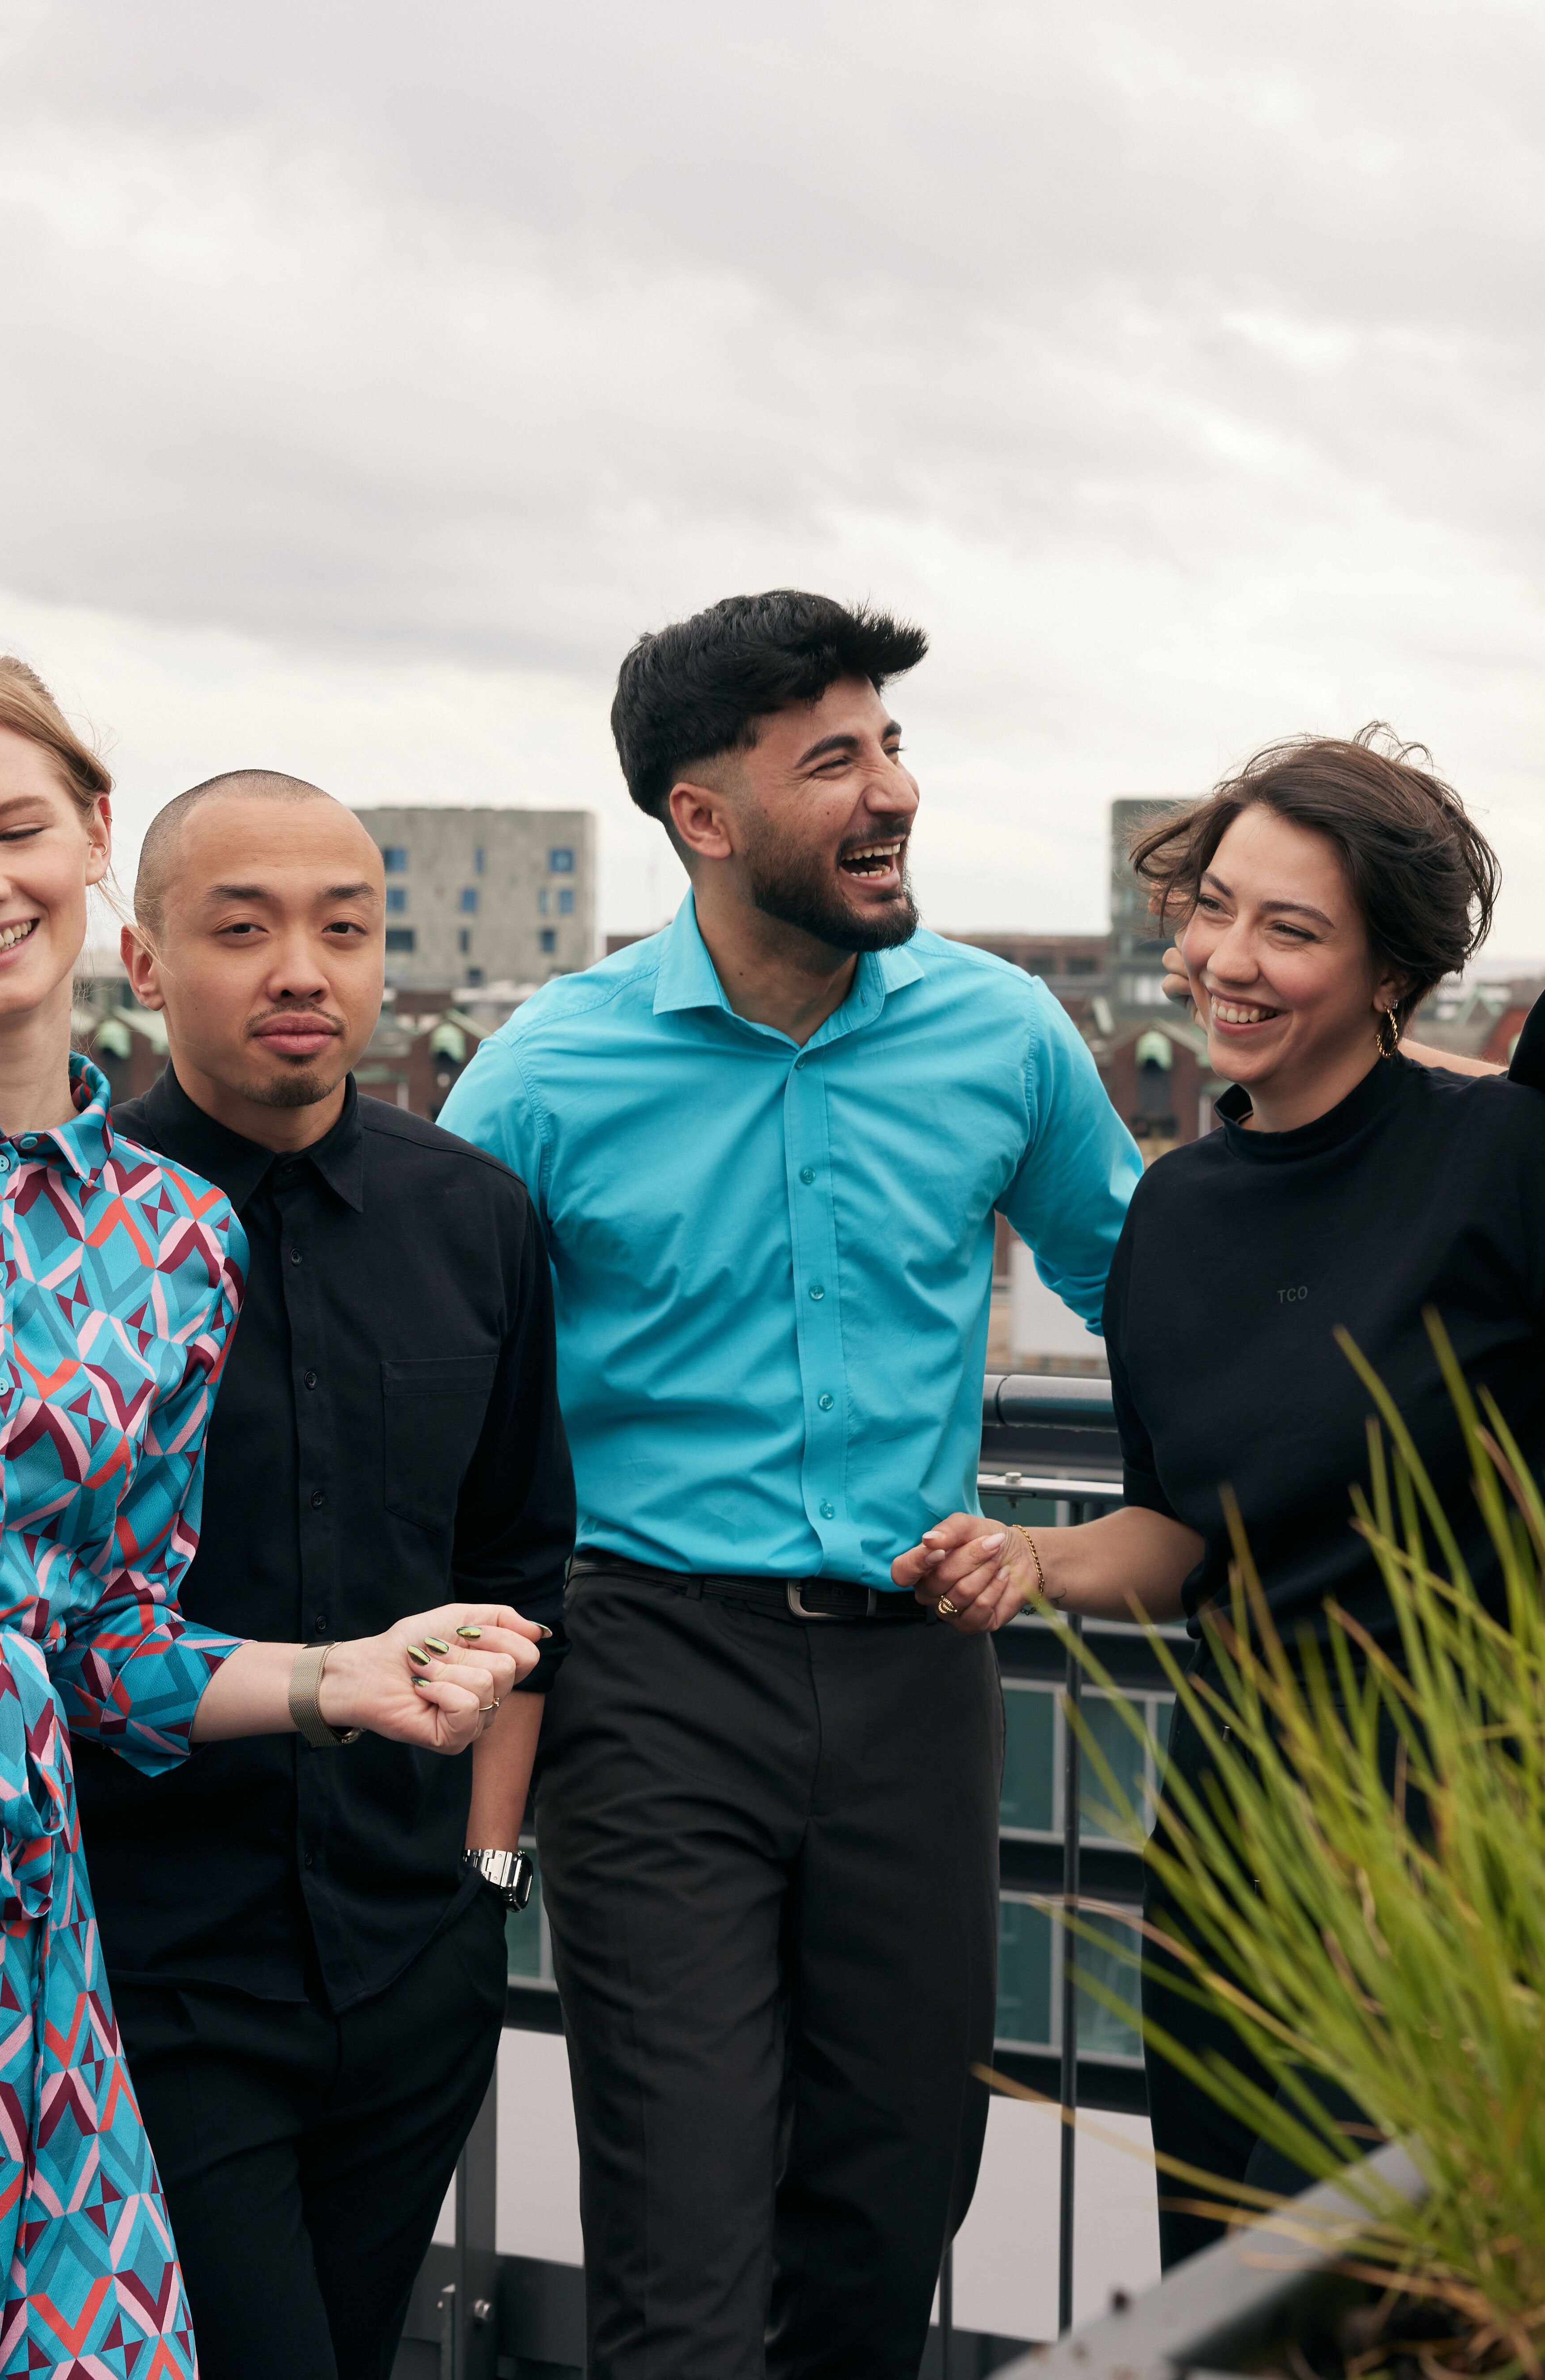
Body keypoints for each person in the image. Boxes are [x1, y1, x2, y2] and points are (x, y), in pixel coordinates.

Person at [0, 655, 541, 2380]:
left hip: (3, 1910)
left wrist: (341, 1679)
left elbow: (106, 1643)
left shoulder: (176, 1241)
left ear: (92, 836)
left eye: (15, 829)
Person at [439, 590, 1143, 2380]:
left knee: (891, 2211)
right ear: (703, 814)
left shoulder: (1001, 1034)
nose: (890, 789)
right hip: (648, 1675)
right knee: (682, 2243)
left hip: (919, 1672)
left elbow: (1155, 1296)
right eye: (832, 758)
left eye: (891, 746)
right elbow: (423, 1366)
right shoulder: (544, 1071)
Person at [894, 727, 1545, 2267]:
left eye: (1291, 928)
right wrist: (1031, 1557)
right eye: (1214, 908)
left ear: (1393, 972)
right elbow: (1184, 1532)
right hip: (1237, 1836)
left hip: (1468, 1832)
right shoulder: (1174, 1211)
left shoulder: (1509, 1160)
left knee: (1391, 2293)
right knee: (1224, 2270)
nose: (1228, 961)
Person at [71, 770, 574, 2380]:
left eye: (344, 930)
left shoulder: (476, 1218)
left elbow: (520, 1567)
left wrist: (487, 1895)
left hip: (412, 1964)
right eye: (244, 930)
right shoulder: (67, 1232)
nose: (302, 969)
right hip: (151, 1975)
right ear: (144, 964)